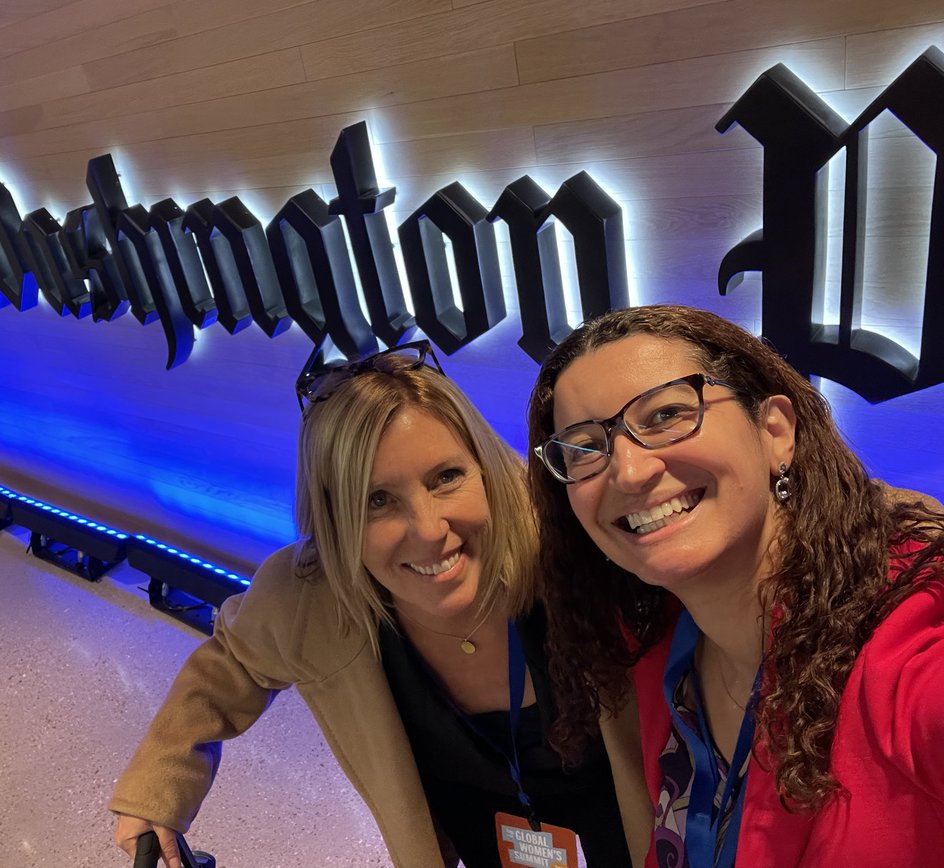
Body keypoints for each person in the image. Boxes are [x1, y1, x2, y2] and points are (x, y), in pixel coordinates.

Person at [110, 340, 634, 868]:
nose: (429, 531)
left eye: (446, 477)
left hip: (641, 832)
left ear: (485, 467)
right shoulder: (311, 596)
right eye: (376, 500)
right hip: (484, 843)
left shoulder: (570, 541)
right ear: (333, 522)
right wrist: (160, 786)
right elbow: (231, 664)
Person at [525, 304, 944, 868]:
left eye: (666, 414)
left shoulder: (909, 643)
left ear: (775, 431)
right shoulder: (656, 644)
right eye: (583, 448)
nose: (627, 471)